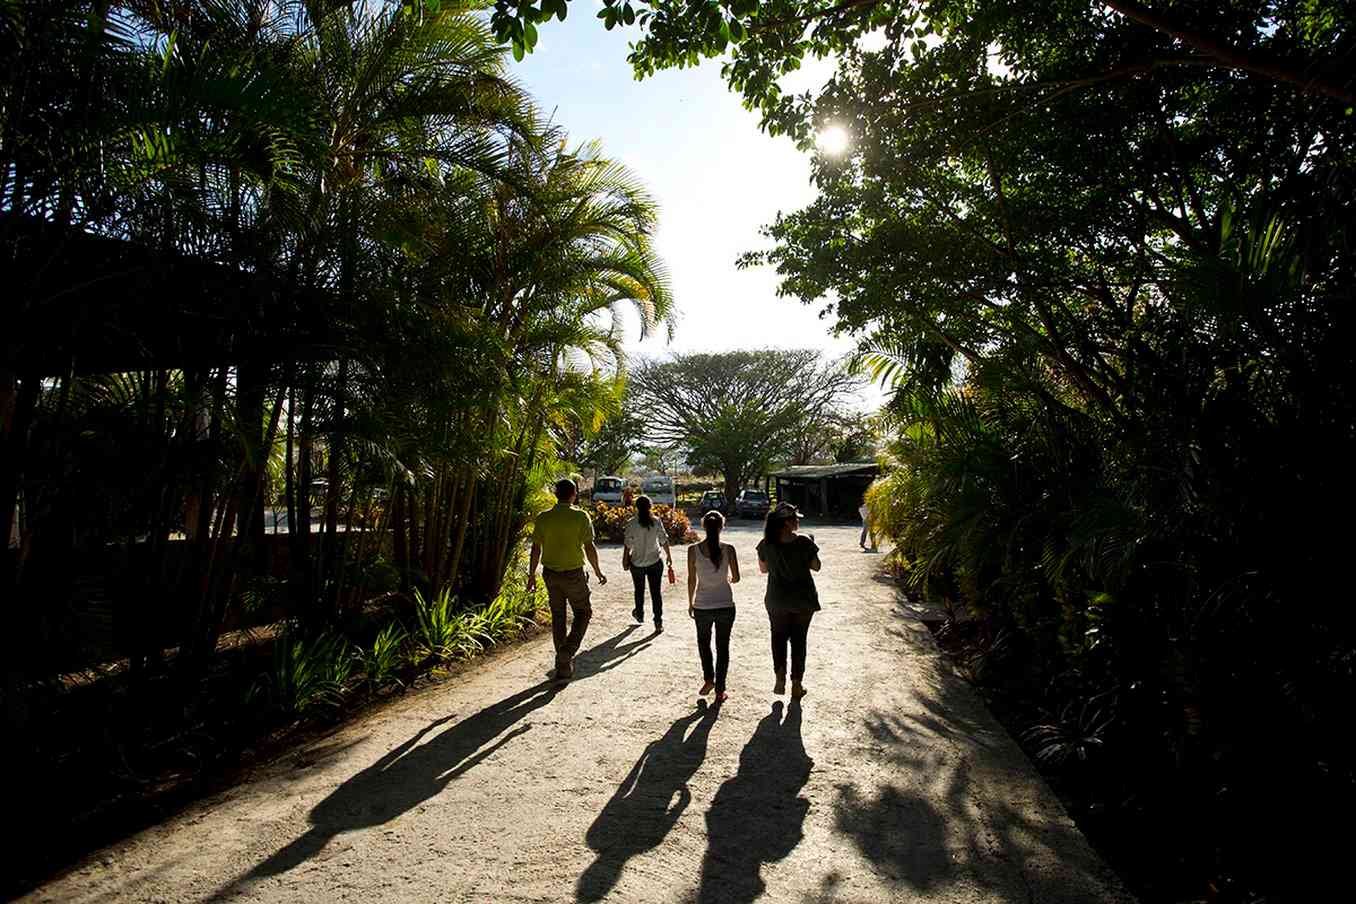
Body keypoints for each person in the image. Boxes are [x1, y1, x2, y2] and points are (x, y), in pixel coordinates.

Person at [528, 478, 607, 680]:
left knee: (559, 617)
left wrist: (531, 575)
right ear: (573, 494)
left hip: (550, 574)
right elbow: (589, 547)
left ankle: (563, 666)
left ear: (556, 494)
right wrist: (597, 570)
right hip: (573, 574)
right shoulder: (581, 516)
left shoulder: (544, 517)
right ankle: (567, 653)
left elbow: (536, 548)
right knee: (583, 612)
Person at [756, 502, 821, 698]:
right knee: (799, 641)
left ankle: (779, 676)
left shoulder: (765, 543)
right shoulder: (804, 542)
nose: (798, 522)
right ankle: (796, 683)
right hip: (803, 600)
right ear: (786, 523)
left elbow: (763, 569)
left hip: (777, 599)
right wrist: (811, 545)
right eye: (795, 519)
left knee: (778, 638)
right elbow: (816, 566)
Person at [687, 510, 740, 701]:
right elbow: (736, 578)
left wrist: (690, 602)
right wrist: (725, 578)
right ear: (721, 526)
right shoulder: (729, 549)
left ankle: (708, 679)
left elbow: (691, 579)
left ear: (703, 526)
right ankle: (720, 690)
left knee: (704, 644)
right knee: (722, 647)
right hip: (725, 603)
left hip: (702, 604)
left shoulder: (693, 550)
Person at [623, 494, 672, 632]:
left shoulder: (631, 523)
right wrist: (669, 556)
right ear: (650, 506)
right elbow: (663, 540)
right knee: (656, 593)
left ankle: (639, 614)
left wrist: (625, 559)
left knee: (639, 590)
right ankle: (658, 622)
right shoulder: (656, 521)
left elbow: (628, 544)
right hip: (655, 562)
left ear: (636, 507)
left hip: (637, 563)